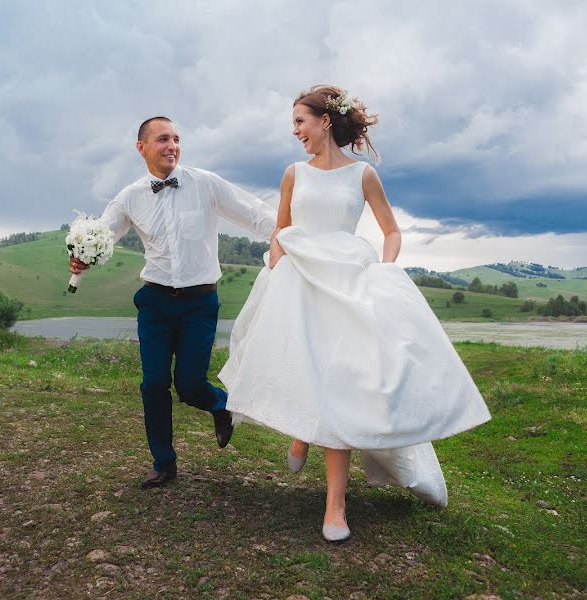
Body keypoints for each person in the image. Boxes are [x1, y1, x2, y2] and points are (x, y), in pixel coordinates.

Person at [218, 85, 491, 542]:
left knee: (342, 381)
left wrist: (384, 273)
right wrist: (275, 266)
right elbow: (281, 229)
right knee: (300, 366)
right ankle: (303, 433)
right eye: (293, 124)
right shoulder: (293, 174)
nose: (295, 131)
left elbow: (391, 230)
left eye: (300, 122)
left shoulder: (363, 175)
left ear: (325, 121)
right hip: (301, 277)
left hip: (348, 279)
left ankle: (336, 506)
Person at [70, 116, 277, 489]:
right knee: (153, 384)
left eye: (177, 139)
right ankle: (163, 463)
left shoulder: (206, 183)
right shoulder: (130, 196)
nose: (172, 146)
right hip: (155, 302)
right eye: (163, 139)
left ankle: (221, 406)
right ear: (142, 147)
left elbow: (256, 214)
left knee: (190, 384)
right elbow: (103, 237)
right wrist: (82, 260)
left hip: (200, 303)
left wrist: (289, 237)